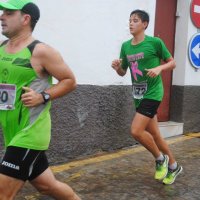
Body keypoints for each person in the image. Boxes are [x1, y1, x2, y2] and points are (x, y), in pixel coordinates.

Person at [0, 0, 81, 199]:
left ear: (25, 18)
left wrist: (42, 96)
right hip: (12, 132)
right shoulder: (2, 48)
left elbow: (70, 81)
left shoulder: (40, 51)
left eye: (9, 12)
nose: (2, 16)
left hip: (31, 133)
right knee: (48, 186)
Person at [112, 9, 183, 185]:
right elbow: (123, 72)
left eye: (135, 20)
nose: (131, 23)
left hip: (153, 92)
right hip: (138, 95)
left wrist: (159, 69)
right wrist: (117, 68)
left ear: (144, 24)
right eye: (130, 20)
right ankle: (174, 166)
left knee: (136, 131)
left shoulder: (155, 42)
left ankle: (160, 159)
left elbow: (172, 63)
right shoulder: (126, 46)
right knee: (155, 135)